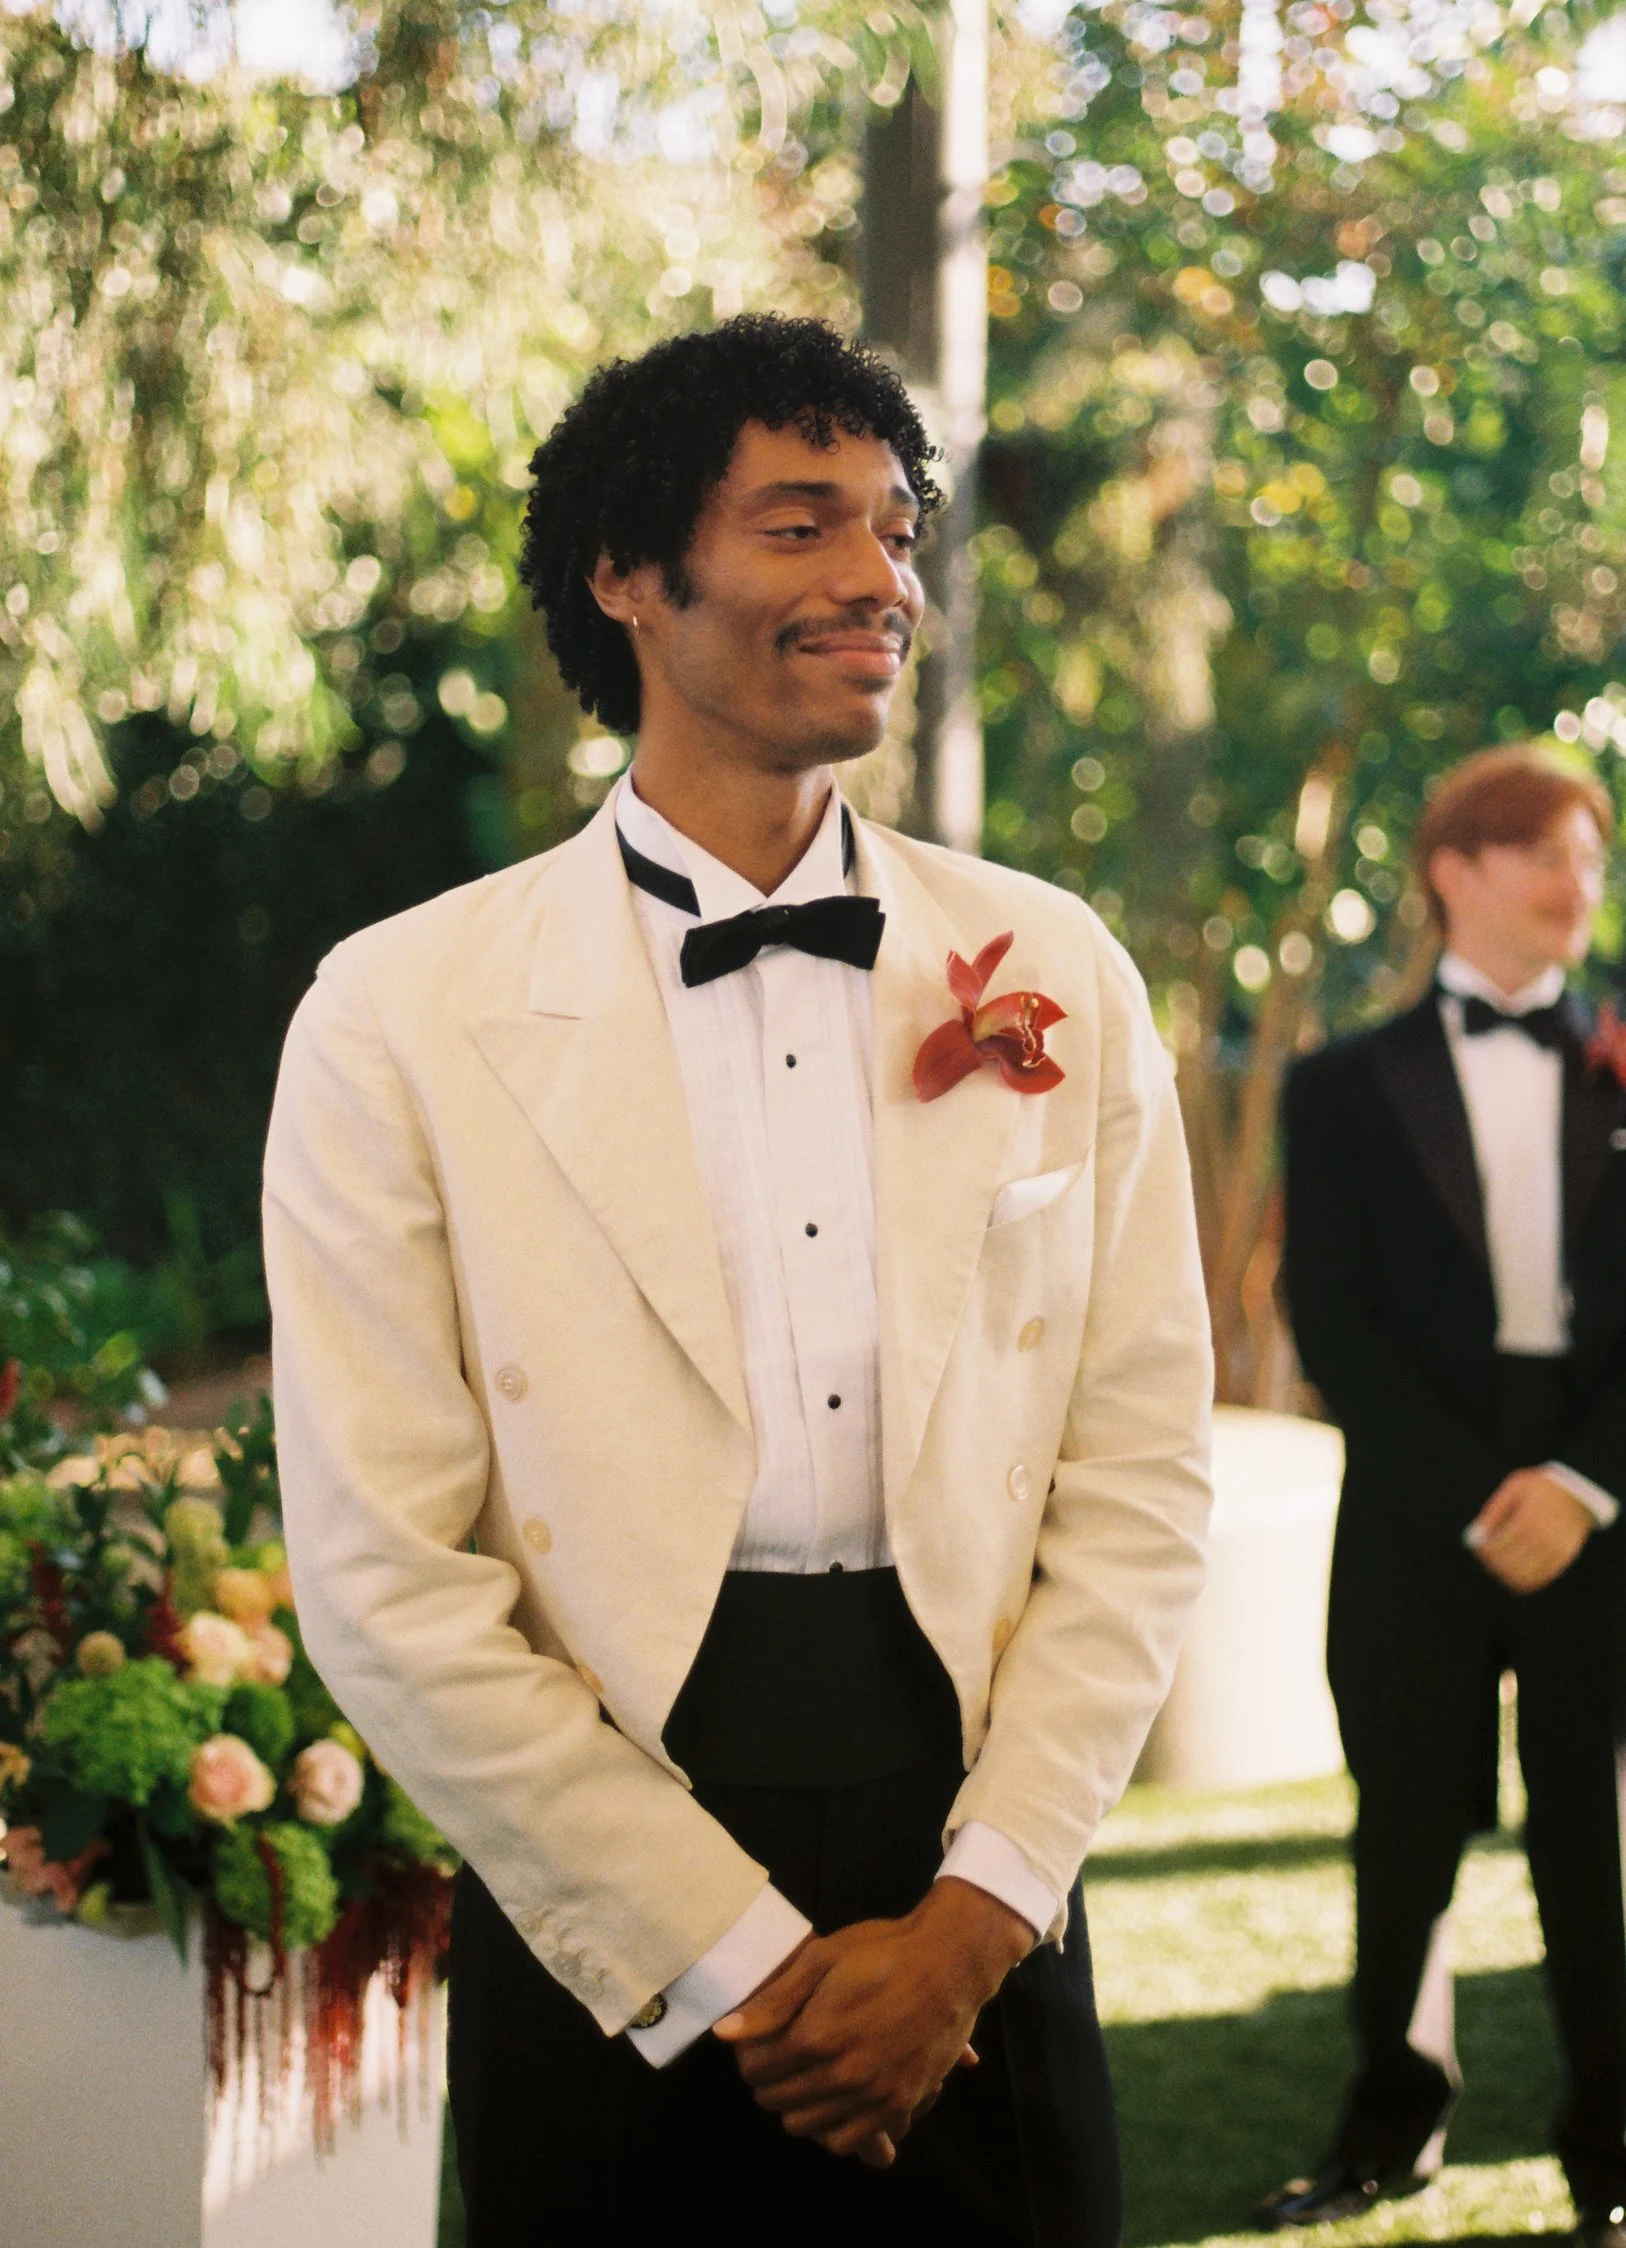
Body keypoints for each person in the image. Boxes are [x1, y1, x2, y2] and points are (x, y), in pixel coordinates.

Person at [263, 314, 1213, 2247]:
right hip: (601, 1833)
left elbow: (1138, 1481)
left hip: (976, 1810)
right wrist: (742, 1965)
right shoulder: (398, 1011)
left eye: (893, 532)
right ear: (627, 574)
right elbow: (384, 1570)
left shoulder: (1058, 964)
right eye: (800, 525)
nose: (876, 578)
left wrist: (971, 1925)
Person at [1267, 746, 1626, 2244]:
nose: (1576, 885)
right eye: (1544, 851)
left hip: (1601, 1504)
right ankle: (1385, 2131)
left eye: (1591, 860)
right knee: (1403, 1829)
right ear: (1453, 870)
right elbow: (1328, 1317)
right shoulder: (1338, 1085)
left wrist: (1583, 1482)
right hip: (1418, 1506)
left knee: (1596, 1849)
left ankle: (1612, 2156)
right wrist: (1484, 1493)